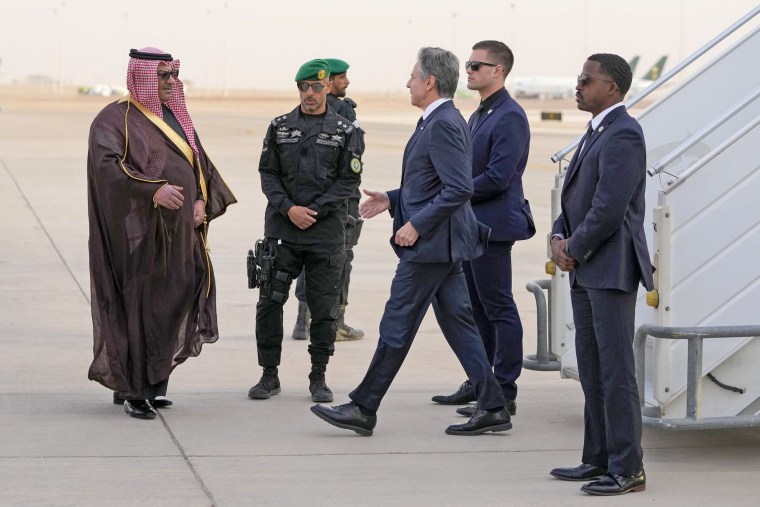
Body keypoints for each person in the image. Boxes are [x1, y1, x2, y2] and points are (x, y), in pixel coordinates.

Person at [310, 47, 511, 437]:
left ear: (429, 82)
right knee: (459, 323)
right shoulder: (435, 121)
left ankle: (364, 406)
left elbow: (458, 188)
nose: (407, 83)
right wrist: (393, 198)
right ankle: (492, 404)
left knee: (397, 323)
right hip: (443, 245)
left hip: (432, 245)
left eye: (413, 76)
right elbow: (432, 182)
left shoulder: (444, 123)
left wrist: (416, 224)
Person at [87, 47, 236, 420]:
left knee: (173, 302)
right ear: (142, 78)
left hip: (180, 233)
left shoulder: (174, 116)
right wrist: (151, 190)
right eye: (163, 76)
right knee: (140, 308)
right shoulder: (114, 119)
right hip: (139, 239)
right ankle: (133, 390)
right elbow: (107, 169)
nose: (172, 82)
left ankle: (153, 384)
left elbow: (197, 159)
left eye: (173, 75)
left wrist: (200, 198)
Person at [548, 53, 653, 495]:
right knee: (591, 368)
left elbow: (610, 207)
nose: (578, 85)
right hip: (585, 267)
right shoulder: (595, 132)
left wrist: (574, 246)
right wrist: (557, 236)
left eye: (586, 80)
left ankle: (628, 468)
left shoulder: (624, 133)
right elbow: (574, 200)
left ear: (611, 88)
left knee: (616, 371)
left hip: (609, 268)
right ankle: (597, 459)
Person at [249, 59, 363, 403]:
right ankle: (269, 375)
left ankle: (318, 376)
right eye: (303, 87)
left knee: (324, 308)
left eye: (316, 87)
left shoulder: (346, 130)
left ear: (328, 87)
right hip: (283, 231)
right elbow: (268, 174)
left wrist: (313, 211)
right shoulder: (280, 126)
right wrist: (289, 209)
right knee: (270, 303)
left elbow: (349, 181)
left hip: (325, 233)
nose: (309, 94)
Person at [431, 40, 534, 418]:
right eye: (469, 64)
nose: (469, 71)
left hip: (493, 226)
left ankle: (504, 388)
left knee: (498, 306)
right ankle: (482, 381)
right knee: (475, 307)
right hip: (473, 224)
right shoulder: (481, 113)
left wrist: (453, 195)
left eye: (477, 65)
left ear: (498, 71)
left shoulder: (508, 115)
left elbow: (498, 177)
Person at [290, 58, 364, 342]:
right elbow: (357, 149)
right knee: (340, 258)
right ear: (329, 81)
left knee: (308, 255)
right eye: (343, 78)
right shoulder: (343, 109)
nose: (347, 83)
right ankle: (337, 322)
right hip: (340, 199)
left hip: (306, 197)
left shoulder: (302, 113)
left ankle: (301, 321)